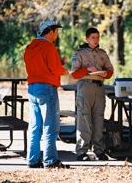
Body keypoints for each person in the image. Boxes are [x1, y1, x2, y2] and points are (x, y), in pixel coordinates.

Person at [24, 20, 70, 168]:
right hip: (47, 88)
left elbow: (40, 65)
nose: (57, 35)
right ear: (50, 32)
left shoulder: (30, 47)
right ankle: (50, 161)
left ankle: (32, 159)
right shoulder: (49, 47)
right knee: (51, 125)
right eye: (56, 32)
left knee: (35, 125)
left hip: (32, 88)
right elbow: (55, 70)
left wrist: (58, 62)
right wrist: (65, 71)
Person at [71, 27, 114, 161]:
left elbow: (110, 71)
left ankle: (99, 150)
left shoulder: (102, 53)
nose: (96, 40)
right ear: (87, 39)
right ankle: (82, 151)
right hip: (85, 87)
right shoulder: (80, 54)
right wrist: (87, 69)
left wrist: (104, 73)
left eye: (97, 37)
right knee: (84, 120)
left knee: (98, 120)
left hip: (99, 88)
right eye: (93, 38)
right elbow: (74, 74)